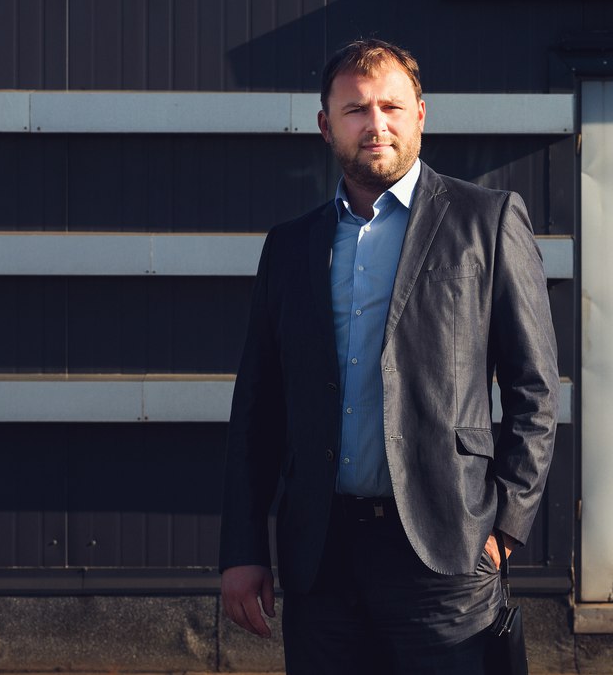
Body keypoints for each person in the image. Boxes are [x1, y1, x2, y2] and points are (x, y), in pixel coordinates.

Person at [219, 38, 559, 674]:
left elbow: (534, 387)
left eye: (392, 107)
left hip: (446, 552)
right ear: (326, 125)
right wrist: (243, 549)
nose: (376, 124)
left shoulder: (486, 221)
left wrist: (506, 525)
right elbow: (257, 407)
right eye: (355, 110)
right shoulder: (290, 246)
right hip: (322, 558)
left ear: (420, 115)